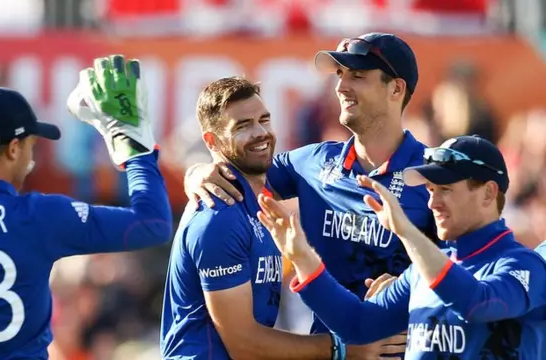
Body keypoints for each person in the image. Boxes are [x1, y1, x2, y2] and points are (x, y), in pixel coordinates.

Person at [0, 55, 172, 359]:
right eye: (32, 146)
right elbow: (152, 224)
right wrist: (136, 151)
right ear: (13, 148)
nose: (32, 159)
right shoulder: (38, 217)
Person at [183, 32, 430, 357]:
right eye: (339, 75)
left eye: (357, 76)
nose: (341, 87)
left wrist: (412, 291)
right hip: (332, 351)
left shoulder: (437, 176)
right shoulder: (312, 163)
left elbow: (474, 268)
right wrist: (197, 172)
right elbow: (240, 169)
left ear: (396, 88)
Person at [259, 135, 546, 358]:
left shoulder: (525, 266)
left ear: (488, 192)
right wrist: (303, 258)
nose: (433, 202)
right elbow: (358, 325)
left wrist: (408, 234)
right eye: (431, 190)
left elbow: (480, 303)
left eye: (445, 189)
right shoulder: (424, 270)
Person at [160, 77, 339, 360]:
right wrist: (341, 350)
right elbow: (244, 345)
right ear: (212, 140)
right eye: (242, 126)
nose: (261, 132)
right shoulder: (219, 217)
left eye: (264, 120)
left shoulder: (256, 194)